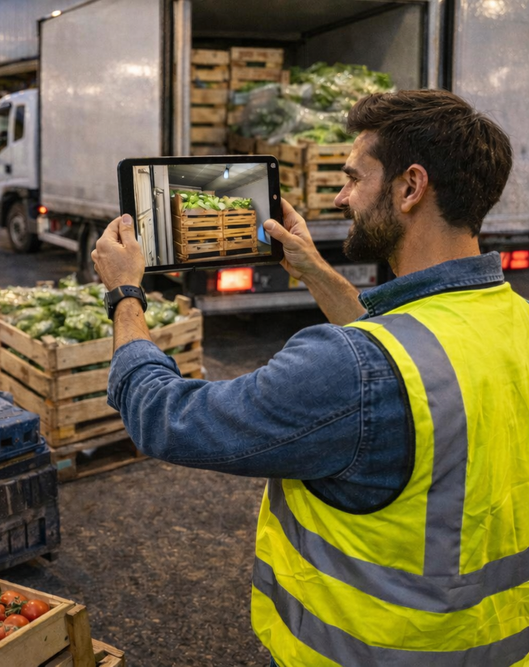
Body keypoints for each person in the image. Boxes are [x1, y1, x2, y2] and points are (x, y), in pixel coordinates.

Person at [91, 89, 525, 666]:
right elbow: (408, 346)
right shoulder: (511, 321)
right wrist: (310, 267)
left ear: (410, 187)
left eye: (352, 178)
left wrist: (125, 296)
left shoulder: (345, 365)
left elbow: (166, 419)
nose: (341, 198)